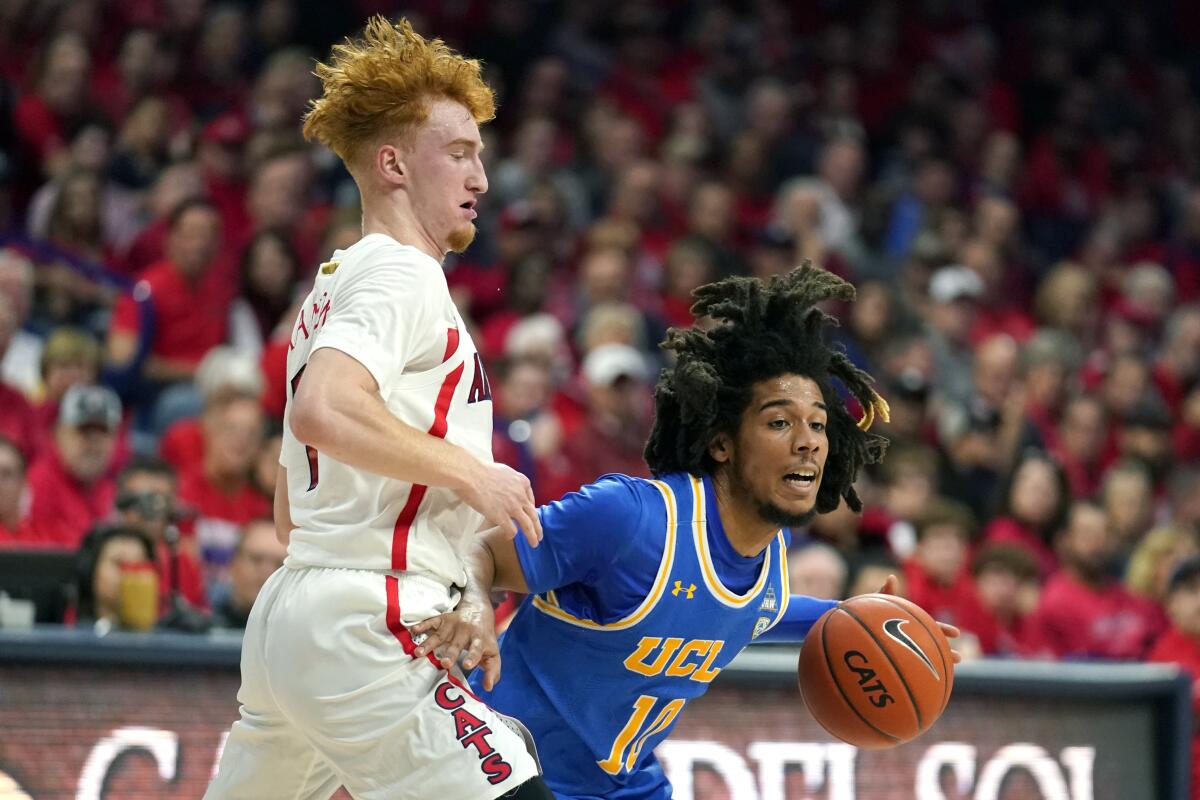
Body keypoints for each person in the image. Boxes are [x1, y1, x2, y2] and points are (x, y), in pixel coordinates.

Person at [414, 266, 959, 799]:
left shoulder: (767, 563)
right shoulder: (632, 520)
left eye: (818, 424)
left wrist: (867, 619)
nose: (809, 441)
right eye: (779, 422)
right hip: (507, 769)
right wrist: (476, 607)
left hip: (625, 783)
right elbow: (483, 549)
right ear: (722, 443)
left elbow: (750, 610)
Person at [206, 18, 549, 800]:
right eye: (459, 153)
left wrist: (460, 587)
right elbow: (325, 410)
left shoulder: (329, 291)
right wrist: (475, 475)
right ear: (393, 163)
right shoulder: (402, 275)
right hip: (365, 616)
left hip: (297, 615)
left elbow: (295, 511)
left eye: (481, 155)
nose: (482, 178)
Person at [24, 385, 121, 549]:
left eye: (102, 432)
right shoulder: (38, 484)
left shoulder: (108, 488)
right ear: (58, 434)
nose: (93, 442)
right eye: (83, 431)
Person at [209, 518, 286, 629]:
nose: (267, 572)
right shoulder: (201, 630)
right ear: (233, 564)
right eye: (256, 559)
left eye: (279, 564)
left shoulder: (303, 637)